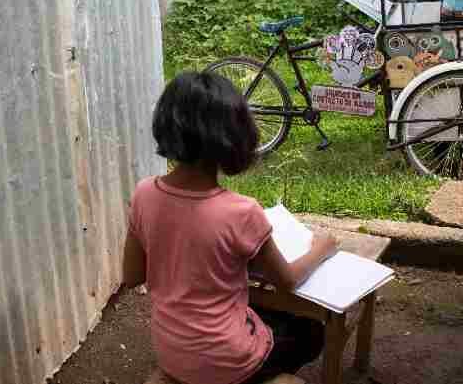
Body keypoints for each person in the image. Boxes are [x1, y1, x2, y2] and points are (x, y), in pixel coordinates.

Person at [120, 71, 338, 384]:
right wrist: (322, 248)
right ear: (235, 135)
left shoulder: (144, 194)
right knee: (310, 330)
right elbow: (287, 281)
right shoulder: (242, 212)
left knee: (256, 313)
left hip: (171, 351)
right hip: (228, 360)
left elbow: (132, 277)